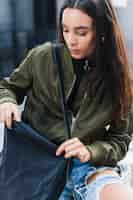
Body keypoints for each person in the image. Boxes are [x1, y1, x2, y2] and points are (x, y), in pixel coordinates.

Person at [0, 0, 133, 199]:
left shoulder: (118, 79)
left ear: (103, 32)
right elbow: (8, 87)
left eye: (81, 32)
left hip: (86, 168)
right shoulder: (42, 58)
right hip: (37, 168)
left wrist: (90, 151)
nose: (70, 40)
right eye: (65, 30)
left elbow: (120, 139)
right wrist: (6, 101)